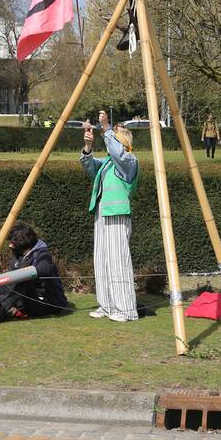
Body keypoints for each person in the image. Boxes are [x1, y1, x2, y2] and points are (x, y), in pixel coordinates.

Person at [80, 110, 139, 322]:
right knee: (102, 260)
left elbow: (118, 153)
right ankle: (107, 305)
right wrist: (88, 147)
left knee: (118, 261)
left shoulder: (129, 161)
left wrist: (106, 128)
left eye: (116, 135)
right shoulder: (107, 163)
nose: (111, 137)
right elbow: (89, 167)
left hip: (117, 215)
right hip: (102, 214)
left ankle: (125, 310)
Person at [0, 222, 70, 326]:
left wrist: (26, 272)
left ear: (22, 241)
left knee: (25, 278)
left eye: (13, 242)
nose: (10, 245)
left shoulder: (42, 254)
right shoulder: (17, 258)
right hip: (27, 303)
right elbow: (9, 284)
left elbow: (44, 268)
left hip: (49, 303)